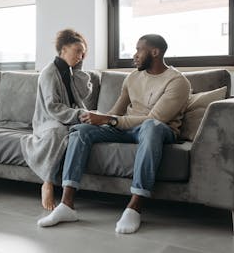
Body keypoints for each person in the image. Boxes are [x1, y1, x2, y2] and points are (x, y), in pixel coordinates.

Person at [37, 34, 190, 234]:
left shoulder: (178, 82)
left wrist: (110, 121)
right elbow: (116, 112)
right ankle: (67, 204)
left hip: (159, 130)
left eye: (139, 50)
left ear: (155, 52)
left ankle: (134, 207)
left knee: (152, 126)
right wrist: (99, 118)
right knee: (80, 131)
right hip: (127, 128)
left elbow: (156, 118)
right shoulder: (133, 77)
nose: (134, 55)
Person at [21, 29, 93, 211]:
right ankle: (47, 182)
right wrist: (78, 115)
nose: (81, 55)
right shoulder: (49, 73)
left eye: (83, 52)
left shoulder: (70, 71)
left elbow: (85, 93)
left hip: (67, 118)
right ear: (63, 49)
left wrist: (78, 69)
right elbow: (52, 107)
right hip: (48, 121)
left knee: (84, 131)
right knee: (59, 132)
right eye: (77, 51)